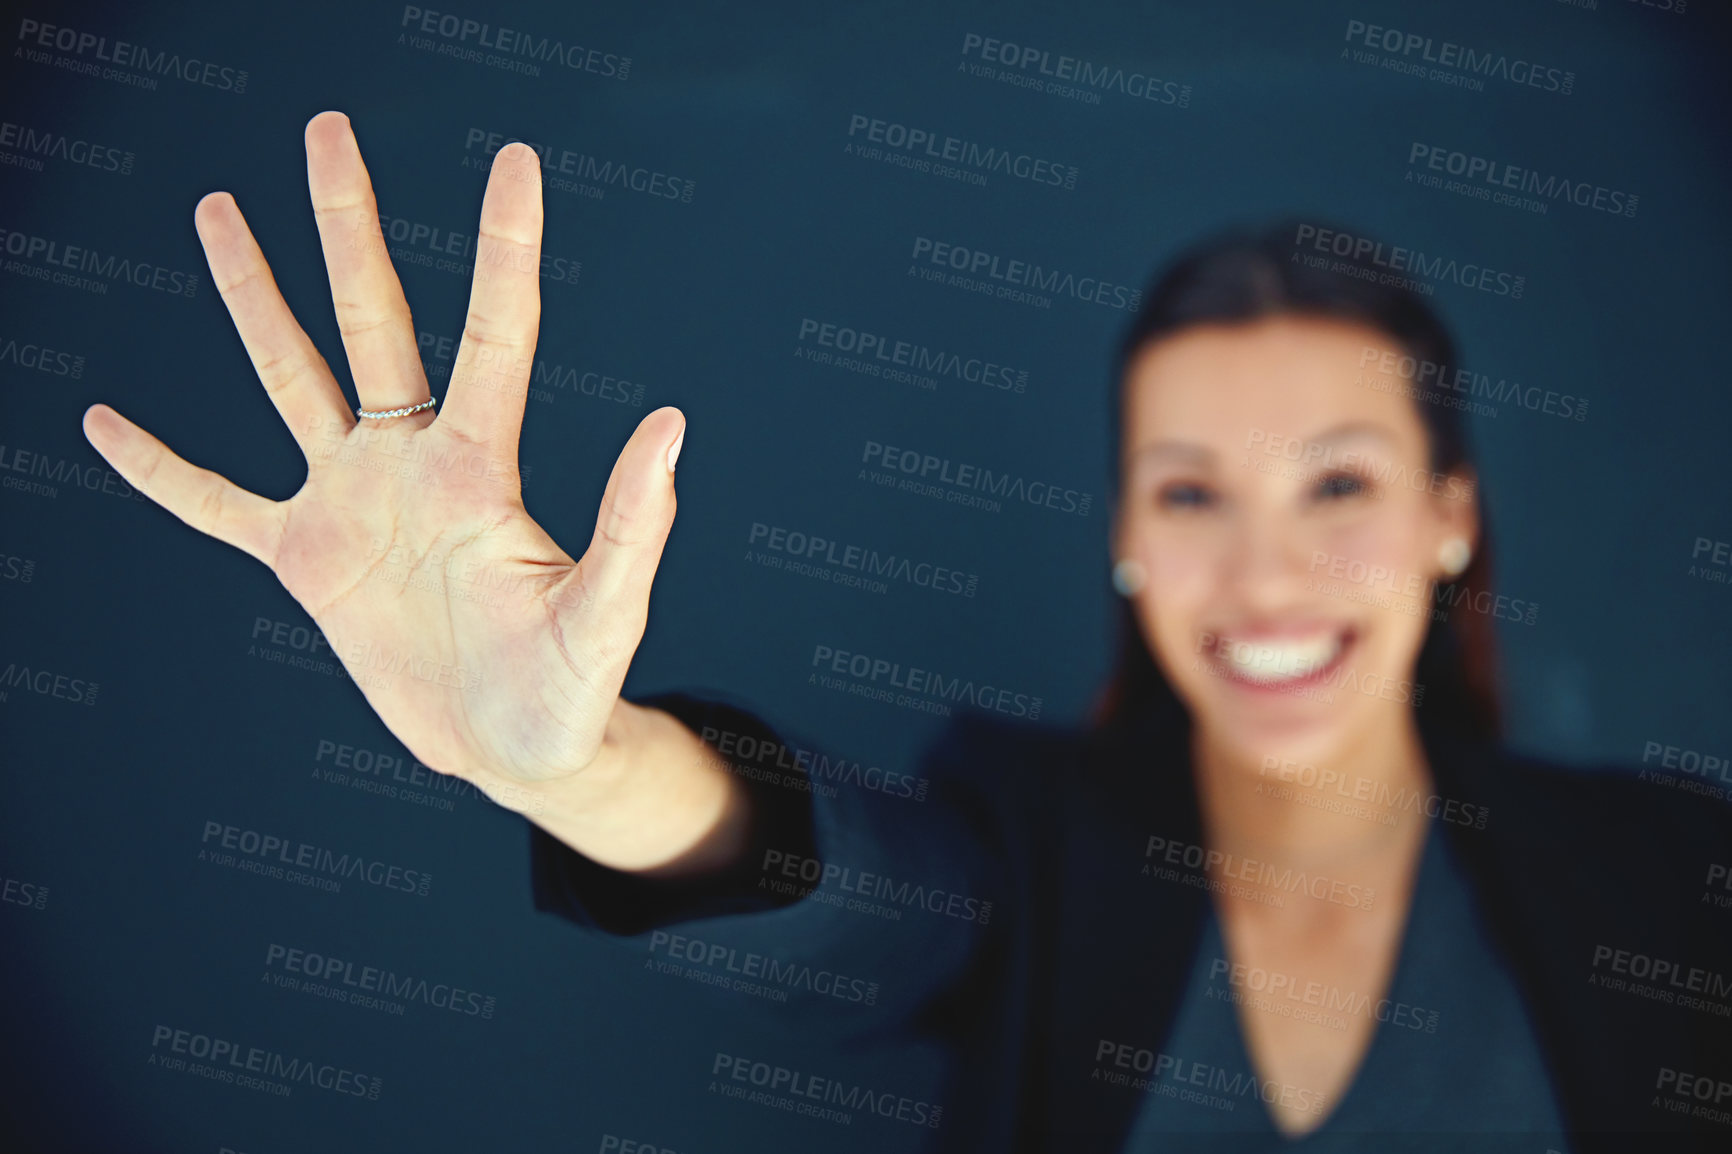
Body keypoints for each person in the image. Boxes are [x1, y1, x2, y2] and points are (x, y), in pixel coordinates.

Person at [84, 111, 1732, 1153]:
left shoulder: (1674, 885)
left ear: (1454, 514)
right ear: (1126, 542)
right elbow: (847, 887)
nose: (1268, 573)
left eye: (1340, 484)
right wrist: (580, 770)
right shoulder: (1037, 853)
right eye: (1190, 492)